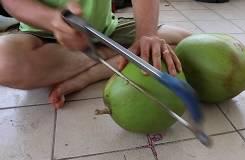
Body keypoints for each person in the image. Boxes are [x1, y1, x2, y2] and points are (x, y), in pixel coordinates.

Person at [0, 0, 191, 108]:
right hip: (41, 36)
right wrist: (51, 19)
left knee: (187, 41)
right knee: (4, 62)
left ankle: (88, 75)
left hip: (107, 31)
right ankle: (110, 54)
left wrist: (147, 33)